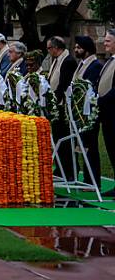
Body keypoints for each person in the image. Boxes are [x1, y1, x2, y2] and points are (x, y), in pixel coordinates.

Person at [46, 36, 78, 182]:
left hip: (63, 106)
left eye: (49, 48)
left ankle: (70, 170)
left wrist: (53, 101)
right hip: (56, 105)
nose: (48, 51)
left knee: (64, 139)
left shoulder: (68, 61)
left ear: (56, 48)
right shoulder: (57, 60)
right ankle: (61, 168)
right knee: (58, 137)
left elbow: (63, 84)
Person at [75, 35, 105, 189]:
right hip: (80, 112)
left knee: (90, 146)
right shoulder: (82, 64)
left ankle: (93, 179)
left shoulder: (95, 65)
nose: (76, 50)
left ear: (86, 49)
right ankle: (87, 177)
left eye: (79, 47)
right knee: (83, 146)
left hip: (89, 113)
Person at [93, 29, 115, 197]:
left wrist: (101, 100)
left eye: (108, 41)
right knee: (110, 147)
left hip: (112, 111)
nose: (104, 43)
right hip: (106, 112)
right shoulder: (109, 61)